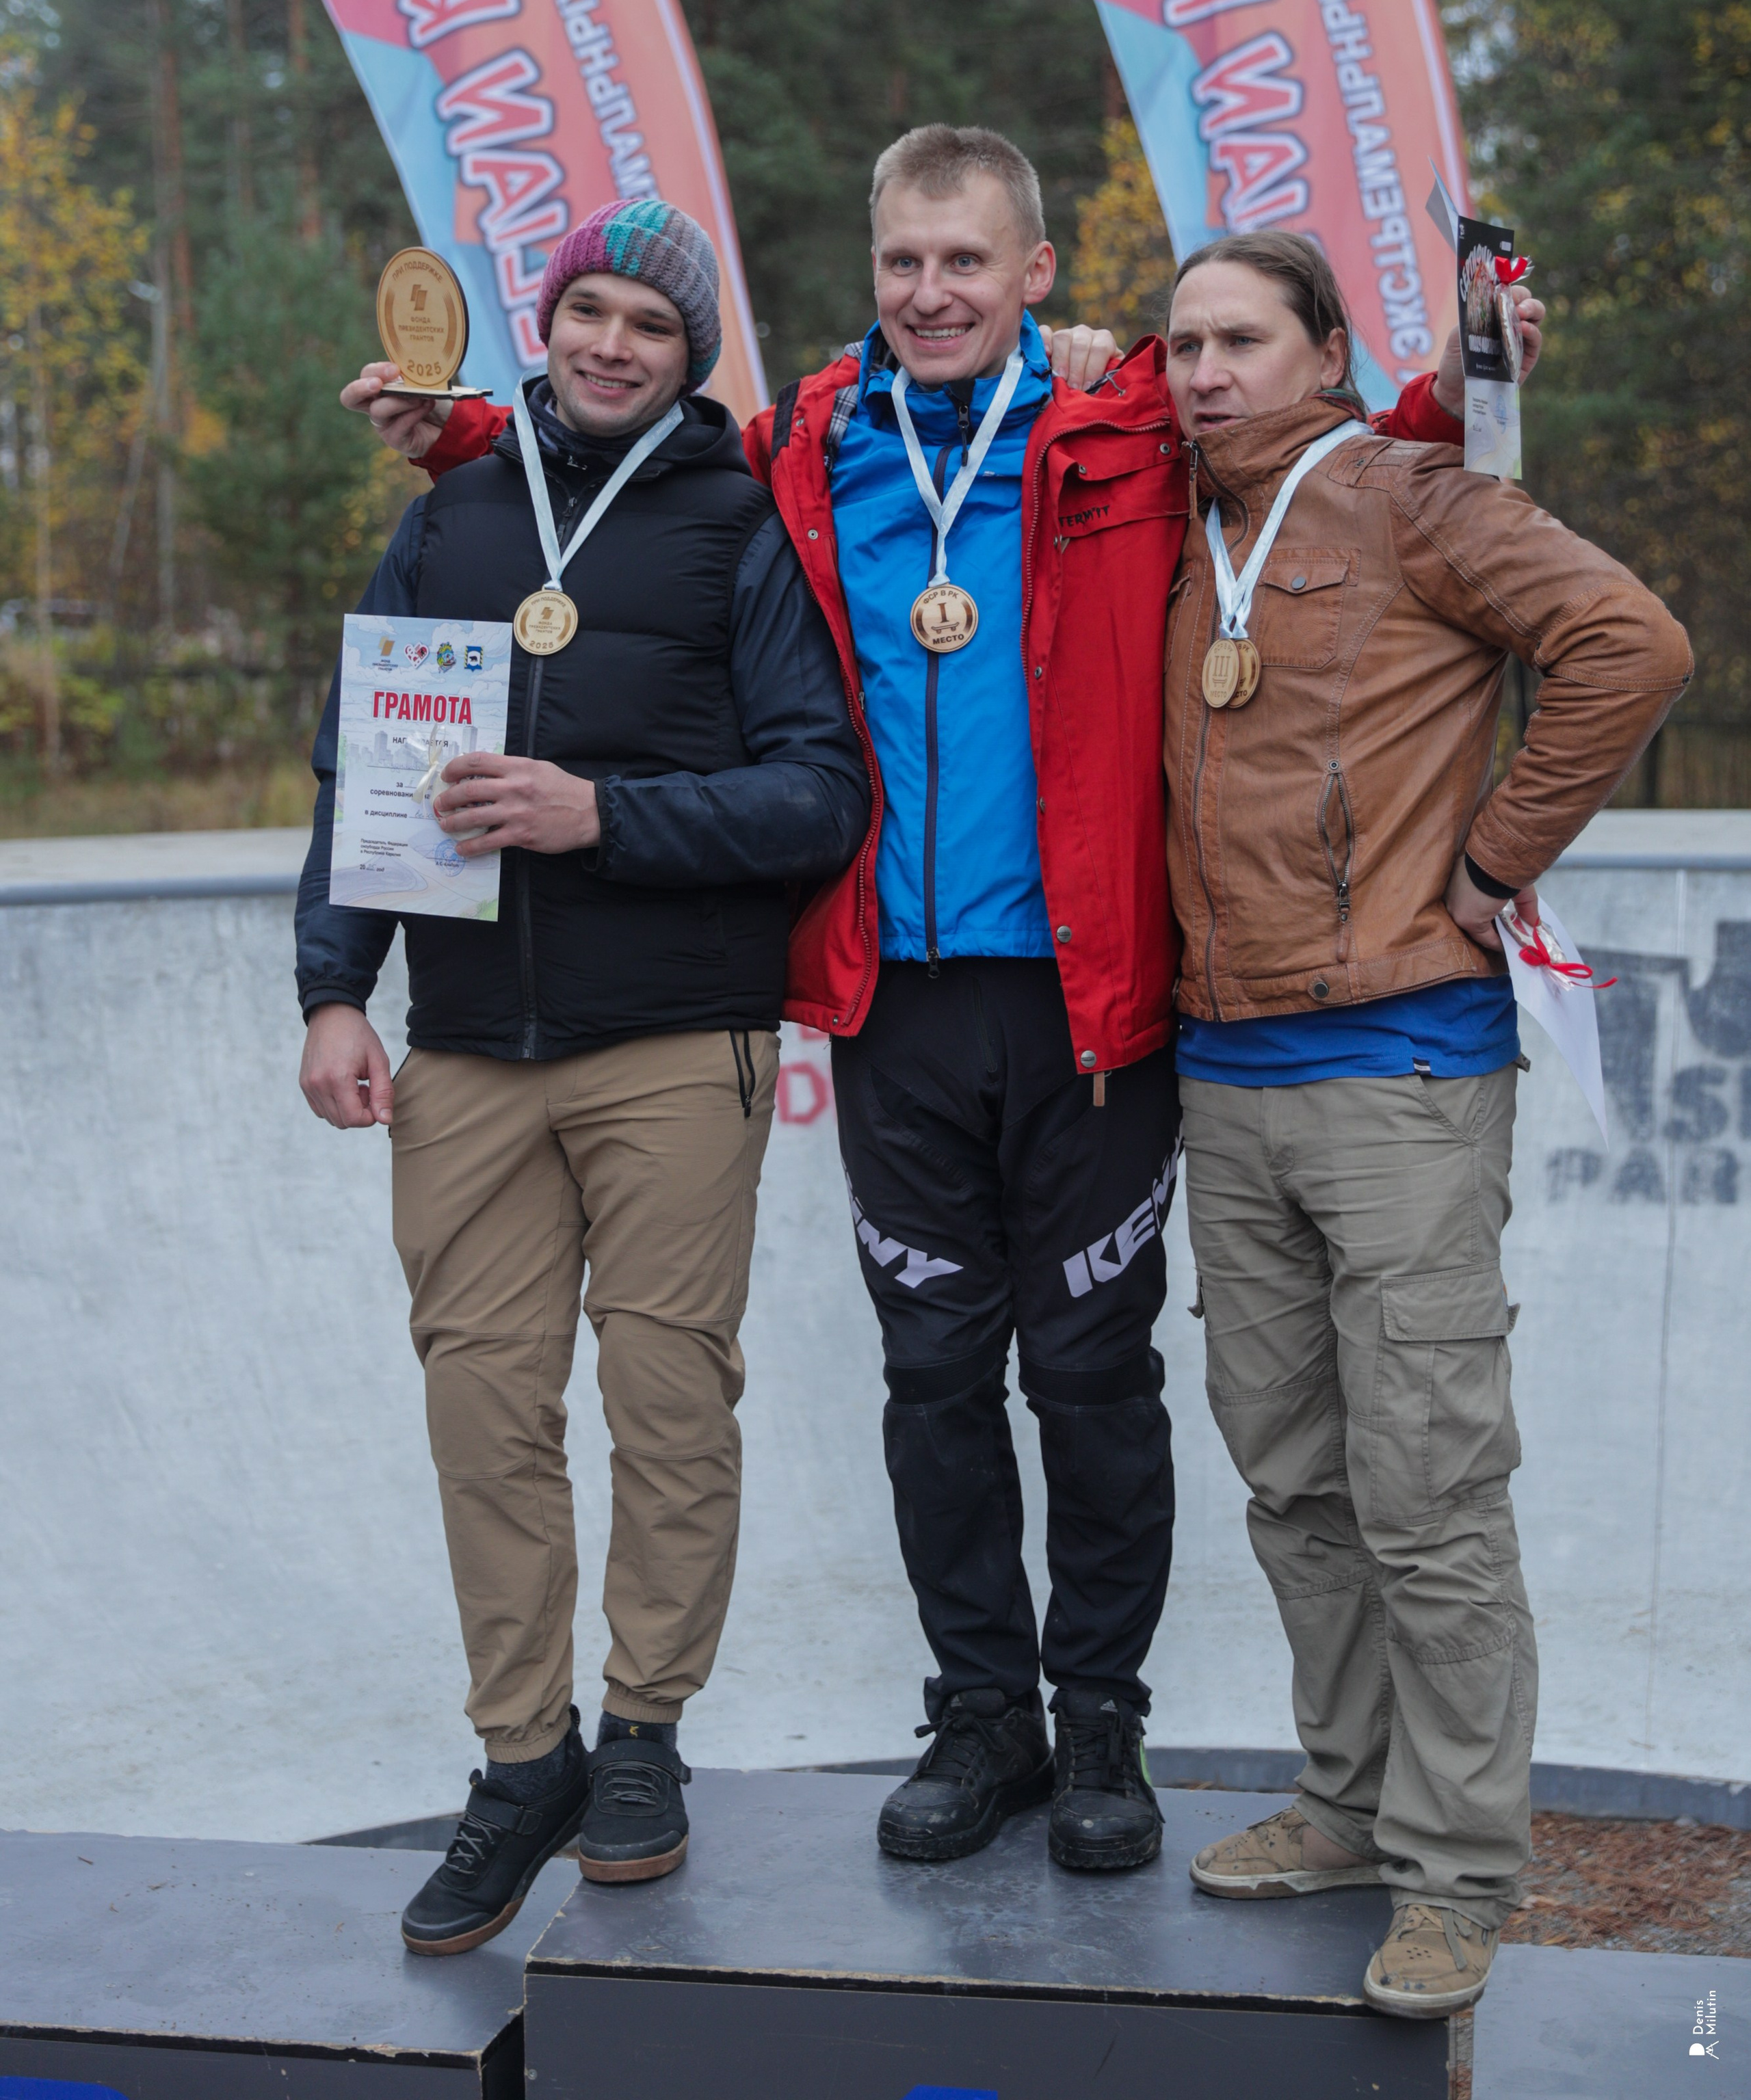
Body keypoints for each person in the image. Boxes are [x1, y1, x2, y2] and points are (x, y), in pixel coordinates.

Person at [354, 128, 1505, 1880]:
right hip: (889, 1002)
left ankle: (1099, 1720)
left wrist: (1458, 381)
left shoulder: (1119, 421)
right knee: (934, 1380)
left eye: (967, 262)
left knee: (1096, 1378)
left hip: (1089, 1002)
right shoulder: (808, 446)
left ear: (1034, 274)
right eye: (903, 263)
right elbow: (625, 469)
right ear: (869, 273)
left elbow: (1306, 446)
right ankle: (981, 1720)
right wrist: (456, 436)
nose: (932, 293)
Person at [296, 199, 869, 1954]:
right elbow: (357, 767)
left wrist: (599, 815)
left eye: (652, 323)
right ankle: (519, 1755)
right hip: (466, 1047)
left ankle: (642, 1737)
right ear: (542, 327)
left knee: (669, 1407)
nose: (614, 343)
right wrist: (333, 992)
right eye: (587, 312)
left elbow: (818, 792)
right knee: (484, 1414)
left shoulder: (734, 529)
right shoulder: (455, 510)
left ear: (696, 354)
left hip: (669, 1044)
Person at [1153, 230, 1689, 2019]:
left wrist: (1491, 864)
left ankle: (1459, 1870)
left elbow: (1629, 643)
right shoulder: (1179, 522)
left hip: (1400, 1073)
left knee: (1430, 1496)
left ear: (1321, 351)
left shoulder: (1412, 496)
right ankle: (1348, 1798)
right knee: (1299, 1484)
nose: (1204, 372)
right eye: (1181, 347)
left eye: (1240, 340)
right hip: (1222, 1086)